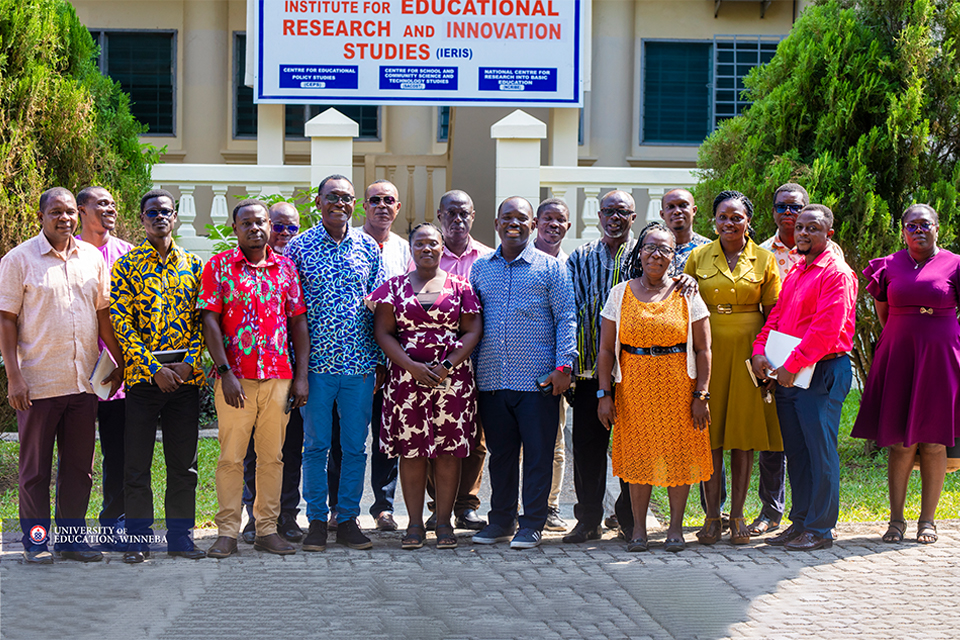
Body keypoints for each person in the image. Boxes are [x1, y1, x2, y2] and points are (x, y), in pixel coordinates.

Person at [0, 187, 122, 564]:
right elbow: (6, 320)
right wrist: (14, 377)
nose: (65, 218)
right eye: (56, 211)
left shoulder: (92, 259)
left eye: (70, 211)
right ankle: (36, 542)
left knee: (78, 470)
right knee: (35, 471)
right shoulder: (19, 260)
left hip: (83, 384)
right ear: (41, 216)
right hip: (37, 385)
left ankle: (71, 540)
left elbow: (103, 315)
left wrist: (117, 362)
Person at [200, 200, 310, 558]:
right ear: (235, 229)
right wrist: (224, 372)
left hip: (279, 377)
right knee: (231, 458)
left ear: (270, 226)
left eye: (260, 221)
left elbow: (297, 324)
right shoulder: (219, 266)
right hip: (236, 380)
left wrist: (301, 378)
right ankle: (227, 532)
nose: (255, 228)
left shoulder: (286, 268)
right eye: (246, 222)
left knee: (272, 458)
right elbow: (210, 321)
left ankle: (266, 529)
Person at [597, 222, 712, 552]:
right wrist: (605, 394)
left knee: (679, 454)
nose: (656, 255)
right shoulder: (620, 293)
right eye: (650, 247)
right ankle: (638, 530)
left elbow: (704, 349)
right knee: (638, 457)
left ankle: (675, 529)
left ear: (673, 256)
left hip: (679, 387)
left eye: (664, 249)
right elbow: (607, 350)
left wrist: (701, 394)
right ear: (640, 251)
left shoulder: (687, 293)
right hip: (633, 388)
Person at [470, 196, 577, 549]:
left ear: (532, 226)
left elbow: (566, 318)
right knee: (500, 455)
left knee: (537, 454)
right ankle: (500, 520)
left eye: (521, 218)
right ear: (497, 223)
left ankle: (532, 523)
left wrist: (564, 367)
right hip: (491, 379)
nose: (513, 223)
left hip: (538, 381)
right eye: (507, 218)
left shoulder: (551, 268)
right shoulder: (481, 268)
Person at [285, 174, 384, 552]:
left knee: (356, 447)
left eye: (346, 198)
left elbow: (378, 311)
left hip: (358, 368)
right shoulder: (299, 249)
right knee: (315, 446)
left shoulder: (368, 247)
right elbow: (292, 314)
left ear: (354, 203)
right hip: (316, 369)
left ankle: (347, 520)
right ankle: (315, 521)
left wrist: (378, 364)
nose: (339, 204)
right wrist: (298, 372)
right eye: (332, 197)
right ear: (319, 203)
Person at [851, 204, 960, 545]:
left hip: (942, 359)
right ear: (902, 231)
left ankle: (928, 520)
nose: (918, 230)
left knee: (934, 440)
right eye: (911, 226)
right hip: (899, 357)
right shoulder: (889, 265)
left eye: (925, 224)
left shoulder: (955, 264)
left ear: (937, 228)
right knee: (900, 442)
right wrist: (904, 334)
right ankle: (895, 520)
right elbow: (884, 309)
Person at [370, 223, 483, 549]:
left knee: (449, 454)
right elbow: (384, 334)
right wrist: (413, 367)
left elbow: (472, 331)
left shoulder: (461, 287)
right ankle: (415, 525)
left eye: (433, 243)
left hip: (452, 383)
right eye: (420, 243)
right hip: (407, 384)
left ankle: (444, 522)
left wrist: (447, 365)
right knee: (412, 452)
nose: (427, 249)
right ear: (411, 248)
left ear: (441, 246)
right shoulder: (392, 288)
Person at [752, 204, 857, 551]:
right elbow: (776, 318)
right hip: (790, 373)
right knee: (796, 452)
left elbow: (825, 330)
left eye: (812, 228)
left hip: (822, 371)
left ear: (828, 234)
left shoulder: (836, 273)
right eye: (799, 228)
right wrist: (759, 351)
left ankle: (820, 528)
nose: (803, 234)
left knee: (820, 451)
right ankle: (799, 522)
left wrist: (791, 365)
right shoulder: (797, 270)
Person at [111, 188, 207, 563]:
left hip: (185, 382)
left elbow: (205, 320)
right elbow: (121, 322)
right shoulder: (126, 265)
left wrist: (187, 365)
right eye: (152, 212)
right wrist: (154, 369)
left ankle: (180, 537)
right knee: (137, 464)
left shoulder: (194, 266)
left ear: (176, 217)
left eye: (166, 211)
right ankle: (137, 539)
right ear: (142, 219)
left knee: (183, 465)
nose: (160, 217)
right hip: (143, 381)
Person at [684, 190, 781, 546]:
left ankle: (738, 515)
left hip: (748, 356)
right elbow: (684, 307)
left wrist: (771, 363)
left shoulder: (765, 260)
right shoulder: (696, 257)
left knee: (742, 436)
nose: (729, 223)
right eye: (723, 216)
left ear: (749, 221)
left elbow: (773, 315)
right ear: (713, 221)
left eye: (736, 217)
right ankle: (712, 516)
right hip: (707, 352)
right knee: (709, 435)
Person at [327, 180, 413, 533]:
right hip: (348, 361)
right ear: (364, 205)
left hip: (391, 360)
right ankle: (338, 507)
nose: (381, 205)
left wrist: (386, 359)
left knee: (385, 435)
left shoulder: (407, 250)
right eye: (374, 199)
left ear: (397, 207)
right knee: (341, 437)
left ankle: (383, 506)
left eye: (388, 200)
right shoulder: (355, 245)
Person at [564, 190, 638, 544]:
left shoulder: (642, 255)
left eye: (622, 211)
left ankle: (627, 516)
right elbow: (568, 309)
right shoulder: (580, 256)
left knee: (629, 447)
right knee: (588, 449)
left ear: (632, 218)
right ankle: (588, 518)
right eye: (609, 210)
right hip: (588, 371)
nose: (615, 217)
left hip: (633, 372)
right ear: (598, 214)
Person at [423, 189, 494, 531]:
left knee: (473, 435)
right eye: (450, 213)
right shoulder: (425, 256)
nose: (457, 219)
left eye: (464, 213)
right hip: (433, 364)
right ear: (440, 215)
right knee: (433, 432)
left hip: (478, 358)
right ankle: (438, 504)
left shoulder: (488, 258)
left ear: (473, 216)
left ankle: (466, 504)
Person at [240, 201, 307, 544]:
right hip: (249, 374)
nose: (283, 234)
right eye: (278, 226)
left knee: (288, 449)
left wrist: (302, 375)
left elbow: (300, 321)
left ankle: (287, 514)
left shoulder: (295, 265)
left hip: (289, 372)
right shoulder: (238, 264)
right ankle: (253, 517)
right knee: (253, 449)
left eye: (291, 228)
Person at [76, 186, 134, 535]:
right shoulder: (72, 254)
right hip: (76, 369)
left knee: (120, 453)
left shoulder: (128, 255)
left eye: (112, 203)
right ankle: (72, 529)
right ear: (82, 210)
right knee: (77, 457)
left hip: (119, 372)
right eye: (101, 204)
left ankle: (114, 522)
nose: (109, 209)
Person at [534, 198, 573, 531]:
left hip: (554, 372)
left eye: (560, 220)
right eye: (547, 218)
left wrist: (565, 366)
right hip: (510, 371)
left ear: (568, 226)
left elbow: (568, 319)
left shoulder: (571, 265)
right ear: (536, 223)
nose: (553, 225)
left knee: (555, 441)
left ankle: (549, 507)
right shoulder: (518, 259)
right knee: (515, 445)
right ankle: (520, 506)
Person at [659, 188, 711, 276]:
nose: (677, 211)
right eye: (670, 207)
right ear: (662, 214)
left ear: (694, 210)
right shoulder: (654, 250)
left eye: (683, 205)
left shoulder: (708, 249)